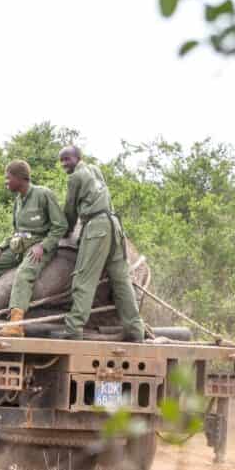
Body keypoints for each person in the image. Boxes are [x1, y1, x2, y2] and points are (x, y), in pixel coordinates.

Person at [0, 160, 67, 337]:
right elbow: (16, 231)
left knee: (24, 274)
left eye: (8, 178)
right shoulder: (18, 200)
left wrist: (44, 246)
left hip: (38, 247)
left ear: (20, 178)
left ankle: (16, 323)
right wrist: (0, 247)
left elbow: (60, 226)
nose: (6, 182)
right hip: (17, 245)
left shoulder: (43, 194)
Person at [58, 145, 145, 342]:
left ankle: (74, 328)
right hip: (114, 225)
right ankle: (135, 329)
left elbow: (70, 209)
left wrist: (65, 232)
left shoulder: (75, 178)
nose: (64, 164)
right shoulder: (95, 170)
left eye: (67, 159)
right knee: (121, 281)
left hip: (96, 227)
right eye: (61, 160)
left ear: (78, 158)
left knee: (84, 278)